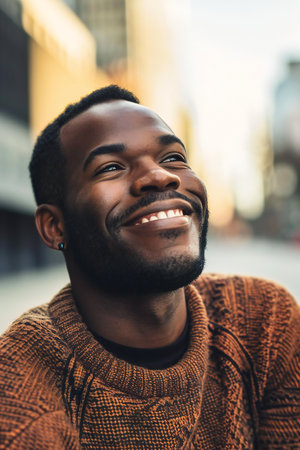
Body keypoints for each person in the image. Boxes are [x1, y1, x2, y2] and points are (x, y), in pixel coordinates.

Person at [0, 85, 299, 449]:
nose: (161, 176)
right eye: (110, 167)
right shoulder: (20, 389)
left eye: (173, 157)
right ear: (55, 227)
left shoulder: (264, 319)